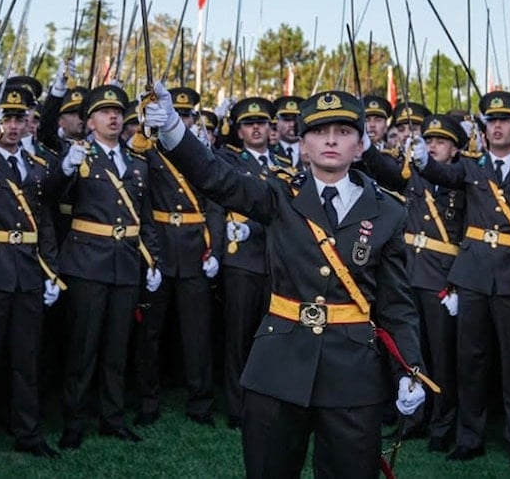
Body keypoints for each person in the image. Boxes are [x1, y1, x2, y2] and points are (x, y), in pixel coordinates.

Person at [144, 86, 427, 478]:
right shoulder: (278, 194)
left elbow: (397, 305)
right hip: (277, 367)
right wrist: (174, 128)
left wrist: (409, 370)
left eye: (343, 131)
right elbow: (216, 177)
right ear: (303, 145)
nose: (331, 139)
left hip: (352, 375)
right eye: (319, 130)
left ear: (361, 146)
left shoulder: (388, 213)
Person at [408, 90, 510, 472]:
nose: (496, 127)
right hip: (473, 277)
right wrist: (424, 160)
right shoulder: (472, 166)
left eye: (505, 120)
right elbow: (443, 173)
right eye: (491, 121)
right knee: (470, 363)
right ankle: (469, 438)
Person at [44, 85, 163, 450]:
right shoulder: (77, 156)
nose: (113, 117)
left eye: (117, 112)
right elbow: (47, 195)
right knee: (83, 349)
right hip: (87, 263)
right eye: (105, 112)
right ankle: (74, 421)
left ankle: (112, 418)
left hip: (125, 264)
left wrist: (153, 259)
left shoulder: (137, 161)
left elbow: (145, 218)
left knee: (116, 348)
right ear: (90, 121)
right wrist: (65, 169)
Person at [361, 112, 469, 452]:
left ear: (455, 150)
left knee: (442, 357)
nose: (433, 146)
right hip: (410, 272)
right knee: (409, 354)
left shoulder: (464, 180)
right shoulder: (415, 174)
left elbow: (470, 235)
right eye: (430, 140)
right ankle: (414, 418)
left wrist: (458, 282)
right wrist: (366, 147)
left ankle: (442, 425)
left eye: (441, 142)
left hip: (442, 278)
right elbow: (386, 173)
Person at [135, 86, 222, 427]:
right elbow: (140, 202)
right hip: (160, 246)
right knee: (150, 332)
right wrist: (150, 253)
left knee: (197, 332)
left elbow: (214, 202)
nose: (182, 120)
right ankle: (147, 400)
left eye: (187, 116)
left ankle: (200, 402)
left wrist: (214, 248)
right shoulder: (149, 150)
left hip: (194, 250)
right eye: (178, 114)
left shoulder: (199, 154)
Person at [0, 86, 62, 458]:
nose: (14, 126)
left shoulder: (36, 167)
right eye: (6, 118)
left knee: (26, 357)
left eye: (20, 119)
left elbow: (45, 223)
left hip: (29, 272)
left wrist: (51, 271)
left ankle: (28, 433)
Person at [214, 96, 292, 429]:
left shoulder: (284, 161)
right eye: (249, 123)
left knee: (271, 338)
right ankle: (237, 406)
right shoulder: (229, 160)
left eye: (261, 122)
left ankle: (266, 402)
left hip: (274, 259)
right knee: (238, 337)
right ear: (239, 131)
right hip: (242, 259)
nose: (257, 128)